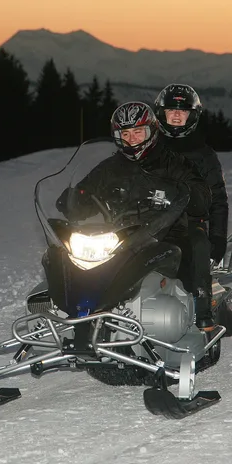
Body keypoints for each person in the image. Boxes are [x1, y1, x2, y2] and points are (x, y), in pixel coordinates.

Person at [57, 101, 214, 330]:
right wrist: (72, 200)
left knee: (198, 242)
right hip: (121, 236)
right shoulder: (109, 168)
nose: (132, 139)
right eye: (126, 133)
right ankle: (75, 311)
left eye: (138, 132)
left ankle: (202, 308)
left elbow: (201, 196)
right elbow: (87, 194)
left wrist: (191, 195)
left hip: (168, 232)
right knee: (71, 255)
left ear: (151, 131)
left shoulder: (174, 164)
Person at [154, 84, 229, 329]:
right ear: (161, 114)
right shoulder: (148, 148)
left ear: (193, 116)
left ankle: (202, 310)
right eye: (171, 110)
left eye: (183, 111)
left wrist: (216, 238)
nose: (176, 115)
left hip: (189, 223)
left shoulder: (204, 154)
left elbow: (217, 198)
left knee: (197, 245)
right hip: (148, 221)